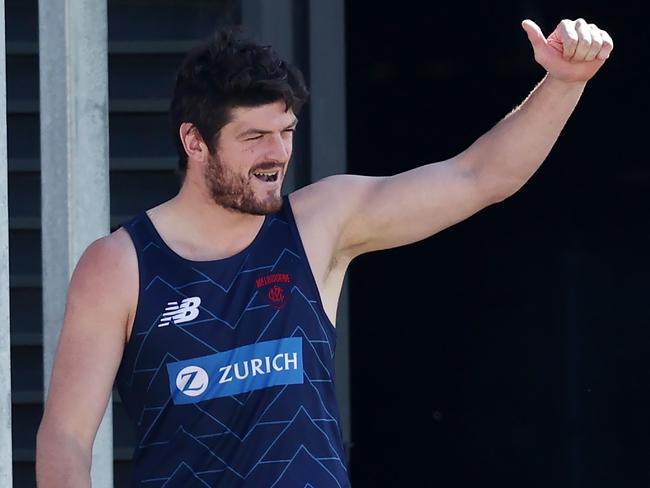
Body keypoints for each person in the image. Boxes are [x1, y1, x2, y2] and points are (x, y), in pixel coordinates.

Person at [36, 17, 613, 488]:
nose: (277, 154)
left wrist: (564, 83)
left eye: (286, 131)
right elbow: (64, 440)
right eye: (253, 136)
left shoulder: (318, 222)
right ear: (194, 141)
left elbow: (479, 176)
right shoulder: (119, 263)